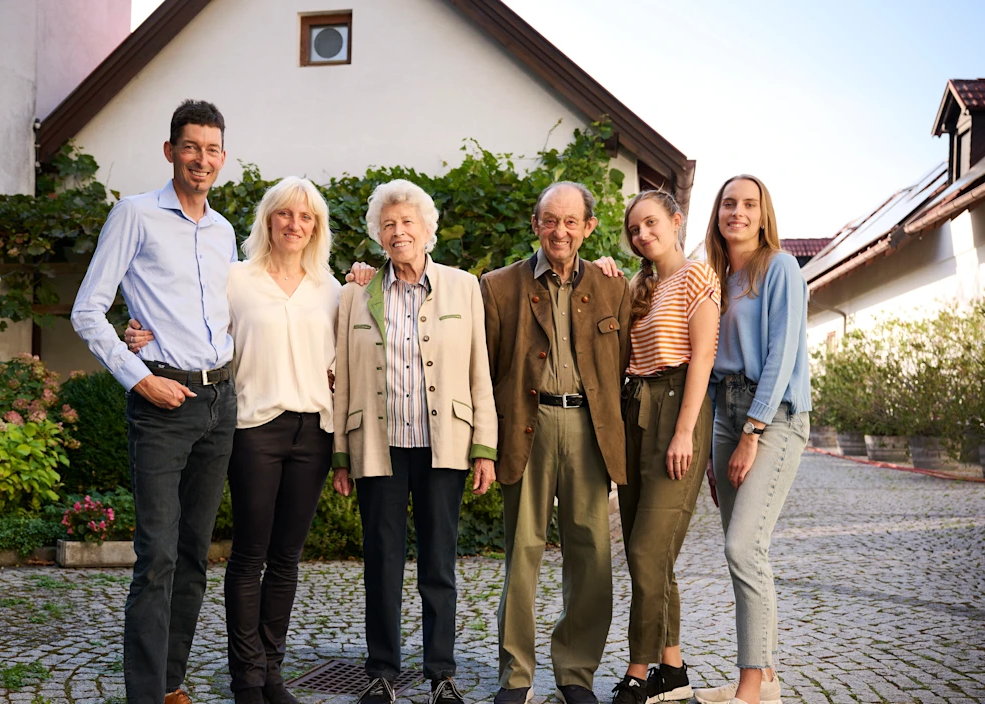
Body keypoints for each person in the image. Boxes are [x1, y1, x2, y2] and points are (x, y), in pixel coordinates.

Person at [124, 177, 342, 704]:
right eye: (285, 214)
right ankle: (246, 679)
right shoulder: (235, 279)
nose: (295, 224)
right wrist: (141, 332)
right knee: (249, 556)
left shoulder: (333, 288)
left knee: (287, 558)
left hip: (314, 430)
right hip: (253, 429)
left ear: (317, 228)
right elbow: (189, 320)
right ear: (268, 220)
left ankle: (272, 673)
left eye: (306, 217)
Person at [71, 99, 237, 704]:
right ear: (170, 151)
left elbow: (237, 311)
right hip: (163, 402)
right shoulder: (134, 215)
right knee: (158, 555)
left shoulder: (223, 231)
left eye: (212, 149)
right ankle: (143, 695)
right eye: (190, 146)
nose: (201, 159)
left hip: (221, 401)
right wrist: (138, 374)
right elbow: (87, 310)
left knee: (194, 553)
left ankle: (170, 684)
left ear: (223, 157)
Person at [331, 178, 498, 704]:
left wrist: (484, 447)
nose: (399, 231)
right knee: (381, 560)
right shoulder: (357, 293)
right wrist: (340, 453)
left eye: (408, 223)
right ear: (377, 236)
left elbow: (479, 371)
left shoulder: (463, 287)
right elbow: (345, 379)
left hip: (443, 442)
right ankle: (381, 672)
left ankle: (440, 673)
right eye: (388, 225)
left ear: (428, 230)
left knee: (438, 562)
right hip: (379, 445)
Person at [480, 181, 631, 704]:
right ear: (535, 224)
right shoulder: (498, 286)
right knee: (522, 551)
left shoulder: (616, 287)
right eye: (550, 220)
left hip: (590, 431)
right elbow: (486, 370)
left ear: (588, 227)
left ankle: (576, 672)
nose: (560, 230)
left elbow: (632, 355)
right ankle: (515, 676)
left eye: (571, 221)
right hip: (529, 424)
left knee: (591, 552)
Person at [692, 175, 811, 704]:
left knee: (745, 546)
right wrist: (722, 439)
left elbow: (783, 356)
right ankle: (765, 679)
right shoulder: (716, 278)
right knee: (740, 552)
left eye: (748, 204)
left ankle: (751, 690)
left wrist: (751, 433)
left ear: (763, 216)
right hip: (726, 412)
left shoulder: (779, 268)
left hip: (774, 416)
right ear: (717, 213)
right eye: (727, 203)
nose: (736, 212)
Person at [610, 191, 720, 704]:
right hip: (636, 409)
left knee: (646, 549)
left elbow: (702, 358)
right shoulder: (640, 284)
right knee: (650, 555)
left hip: (678, 407)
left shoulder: (698, 275)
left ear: (676, 222)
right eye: (634, 229)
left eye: (651, 223)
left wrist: (683, 431)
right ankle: (673, 672)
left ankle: (637, 672)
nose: (642, 235)